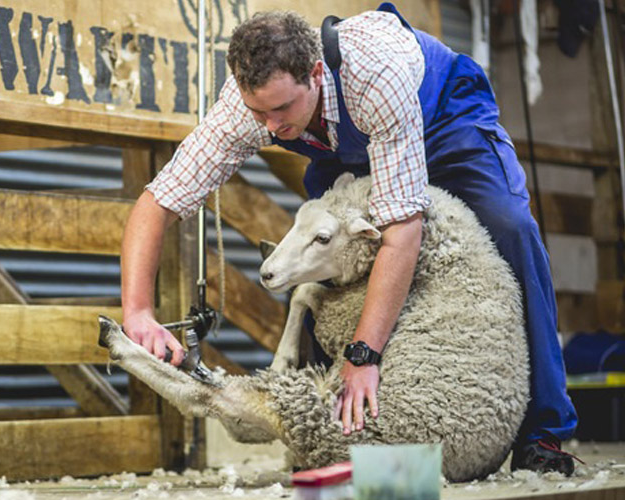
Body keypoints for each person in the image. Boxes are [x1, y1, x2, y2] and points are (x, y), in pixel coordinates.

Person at [119, 2, 579, 475]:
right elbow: (159, 203)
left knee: (510, 227)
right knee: (328, 264)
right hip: (341, 144)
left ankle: (544, 431)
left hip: (442, 121)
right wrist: (138, 313)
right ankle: (333, 438)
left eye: (281, 108)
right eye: (260, 111)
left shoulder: (374, 75)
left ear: (316, 72)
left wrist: (364, 354)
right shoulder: (245, 110)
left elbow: (403, 229)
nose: (272, 127)